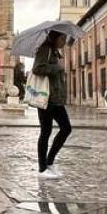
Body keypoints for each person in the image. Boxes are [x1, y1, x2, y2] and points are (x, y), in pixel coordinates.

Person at [32, 30, 71, 179]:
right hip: (47, 98)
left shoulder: (54, 52)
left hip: (55, 98)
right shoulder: (45, 49)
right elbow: (37, 69)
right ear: (55, 38)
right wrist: (57, 68)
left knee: (65, 129)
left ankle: (48, 163)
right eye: (63, 38)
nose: (65, 41)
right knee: (48, 132)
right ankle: (43, 168)